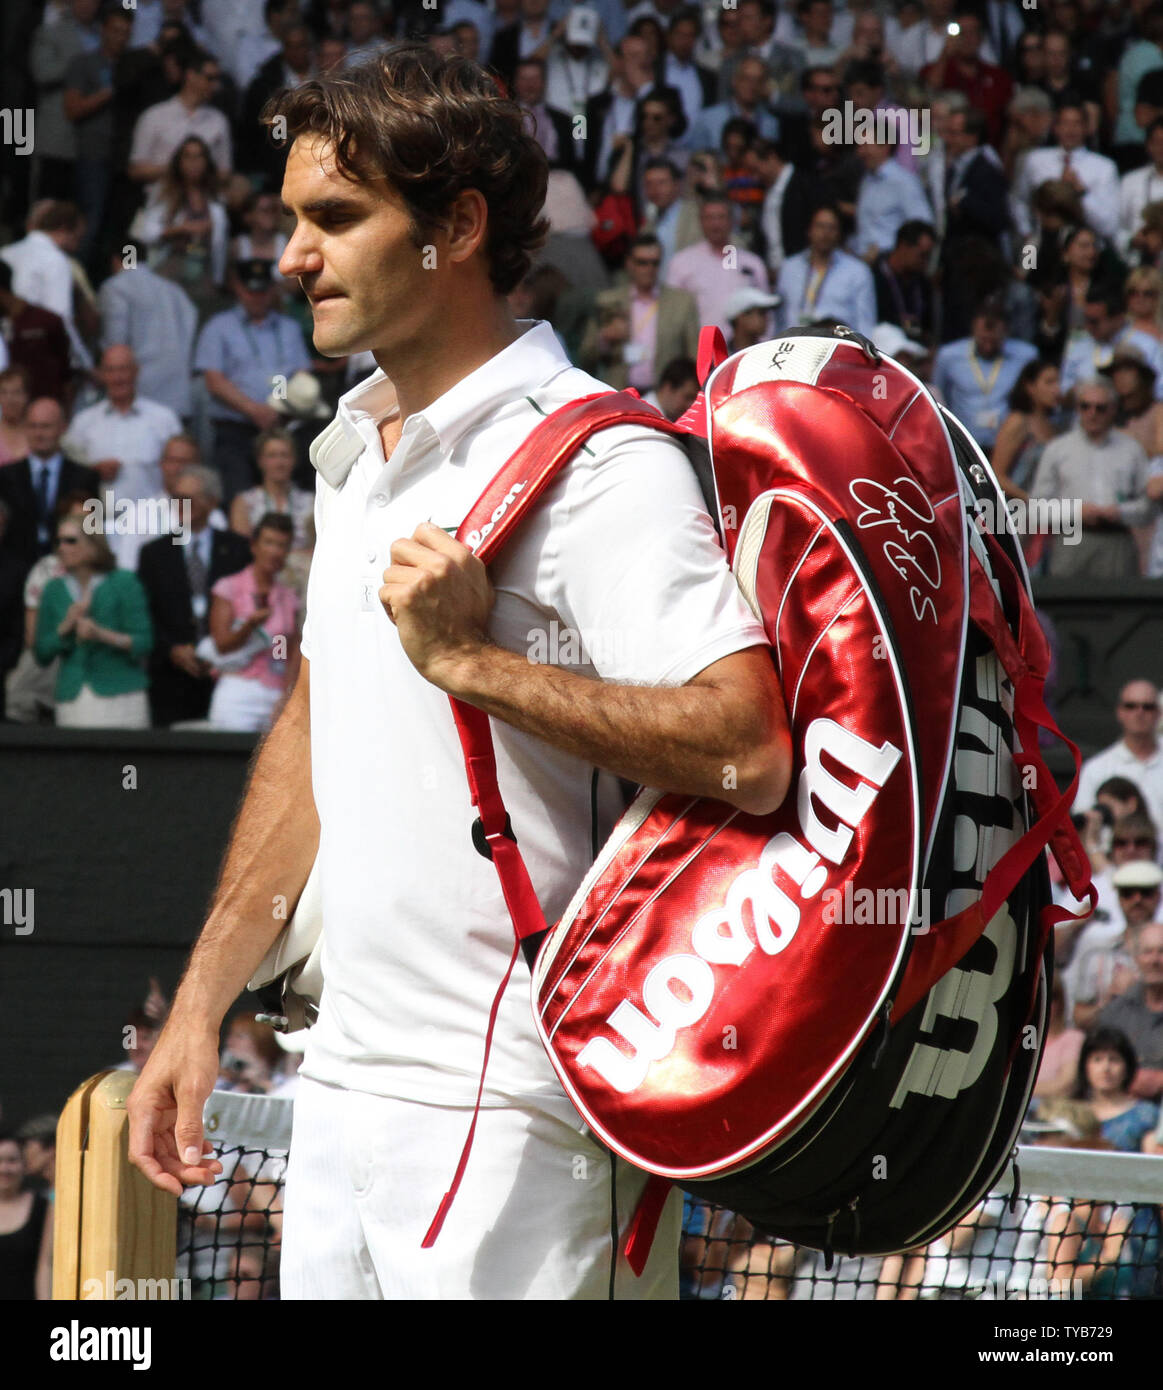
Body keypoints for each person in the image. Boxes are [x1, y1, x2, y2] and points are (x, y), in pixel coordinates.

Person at [127, 42, 789, 1302]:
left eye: (335, 218)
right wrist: (200, 1005)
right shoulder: (353, 449)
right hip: (337, 1092)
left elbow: (746, 747)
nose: (289, 258)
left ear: (457, 227)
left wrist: (473, 664)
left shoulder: (603, 463)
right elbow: (314, 742)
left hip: (526, 1118)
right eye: (287, 221)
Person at [137, 461, 251, 726]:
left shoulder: (238, 549)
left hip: (226, 673)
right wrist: (172, 649)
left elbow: (246, 607)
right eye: (176, 498)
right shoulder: (154, 553)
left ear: (212, 502)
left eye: (188, 498)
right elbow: (145, 613)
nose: (180, 505)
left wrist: (221, 650)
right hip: (170, 678)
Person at [193, 258, 314, 505]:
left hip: (283, 427)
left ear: (272, 290)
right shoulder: (219, 327)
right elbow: (214, 380)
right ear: (238, 288)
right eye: (250, 290)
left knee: (293, 496)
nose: (256, 297)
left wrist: (279, 406)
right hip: (236, 429)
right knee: (237, 497)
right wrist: (255, 410)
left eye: (262, 290)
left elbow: (302, 375)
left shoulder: (289, 327)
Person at [1029, 377, 1154, 579]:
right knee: (1067, 607)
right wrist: (1076, 512)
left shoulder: (1131, 449)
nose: (1092, 413)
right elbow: (1037, 507)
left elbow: (1149, 506)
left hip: (1117, 540)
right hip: (1072, 539)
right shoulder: (1058, 449)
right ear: (1078, 408)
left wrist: (1120, 512)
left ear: (1113, 409)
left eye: (1100, 408)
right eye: (1085, 406)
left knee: (1121, 606)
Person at [34, 516, 153, 729]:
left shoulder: (124, 582)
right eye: (58, 541)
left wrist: (102, 635)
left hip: (122, 694)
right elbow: (41, 653)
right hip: (73, 697)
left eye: (70, 541)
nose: (62, 548)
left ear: (93, 545)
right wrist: (65, 627)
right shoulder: (53, 589)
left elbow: (144, 642)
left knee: (126, 762)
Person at [204, 511, 300, 732]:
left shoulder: (288, 596)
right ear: (254, 546)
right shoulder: (230, 586)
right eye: (269, 543)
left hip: (276, 690)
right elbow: (222, 645)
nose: (275, 552)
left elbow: (290, 650)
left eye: (282, 545)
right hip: (238, 687)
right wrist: (249, 626)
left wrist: (287, 694)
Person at [576, 232, 700, 392]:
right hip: (619, 392)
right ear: (629, 263)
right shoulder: (608, 301)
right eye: (642, 263)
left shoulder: (682, 302)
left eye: (655, 263)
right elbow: (585, 357)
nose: (649, 269)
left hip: (665, 397)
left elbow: (694, 355)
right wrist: (604, 338)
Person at [133, 135, 230, 317]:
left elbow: (220, 245)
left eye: (199, 156)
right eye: (188, 156)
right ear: (179, 162)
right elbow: (145, 233)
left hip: (204, 269)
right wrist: (181, 229)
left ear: (207, 162)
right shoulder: (163, 192)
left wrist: (218, 279)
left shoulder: (216, 198)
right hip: (171, 265)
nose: (194, 162)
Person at [931, 306, 1038, 455]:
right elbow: (939, 396)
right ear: (973, 330)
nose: (988, 346)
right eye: (983, 339)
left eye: (994, 340)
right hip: (964, 444)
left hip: (1008, 444)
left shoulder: (1026, 356)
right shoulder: (948, 356)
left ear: (1005, 332)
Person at [228, 429, 314, 598]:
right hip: (262, 575)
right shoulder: (244, 502)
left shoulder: (311, 500)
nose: (279, 462)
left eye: (284, 455)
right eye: (272, 456)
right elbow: (242, 549)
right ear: (260, 461)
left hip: (304, 576)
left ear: (294, 460)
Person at [776, 203, 877, 339]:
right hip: (793, 345)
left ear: (839, 233)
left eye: (832, 228)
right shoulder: (789, 268)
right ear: (809, 230)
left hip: (836, 346)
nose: (825, 233)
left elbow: (865, 323)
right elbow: (779, 318)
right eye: (820, 226)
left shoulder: (857, 271)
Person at [1075, 680, 1163, 834]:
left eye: (1147, 707)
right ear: (1120, 712)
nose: (1139, 712)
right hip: (1115, 856)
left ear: (1159, 713)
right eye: (1131, 706)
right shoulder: (1095, 769)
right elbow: (1084, 831)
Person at [1097, 921, 1163, 1101]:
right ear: (1136, 958)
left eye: (1161, 952)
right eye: (1147, 952)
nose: (1155, 960)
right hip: (1122, 1103)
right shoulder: (1115, 1012)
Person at [1072, 1026, 1160, 1152]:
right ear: (1085, 1067)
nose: (1106, 1068)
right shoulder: (1070, 1112)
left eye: (1114, 1060)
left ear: (1127, 1068)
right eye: (1097, 1059)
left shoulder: (1146, 1115)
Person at [0, 1133, 51, 1300]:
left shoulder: (42, 1207)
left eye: (12, 1161)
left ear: (24, 1165)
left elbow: (46, 1266)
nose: (4, 1168)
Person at [0, 368, 32, 466]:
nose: (10, 399)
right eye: (4, 392)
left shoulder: (37, 431)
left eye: (16, 392)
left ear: (26, 395)